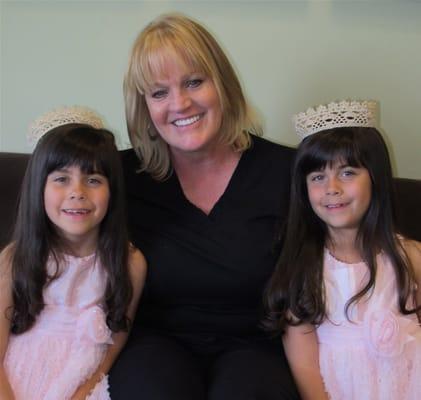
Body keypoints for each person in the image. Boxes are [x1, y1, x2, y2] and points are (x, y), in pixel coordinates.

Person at [109, 13, 300, 400]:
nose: (180, 104)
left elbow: (356, 236)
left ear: (224, 85)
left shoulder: (289, 171)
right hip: (154, 344)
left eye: (194, 82)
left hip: (256, 348)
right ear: (143, 106)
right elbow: (51, 231)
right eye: (159, 92)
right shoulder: (119, 176)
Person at [264, 100, 421, 400]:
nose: (332, 187)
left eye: (347, 172)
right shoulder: (304, 271)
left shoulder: (411, 257)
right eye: (318, 177)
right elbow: (304, 365)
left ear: (375, 178)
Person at [0, 106, 146, 400]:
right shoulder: (15, 258)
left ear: (112, 190)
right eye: (61, 179)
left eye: (93, 180)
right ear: (38, 188)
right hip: (14, 378)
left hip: (81, 381)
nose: (77, 192)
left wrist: (85, 389)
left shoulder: (130, 262)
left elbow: (117, 339)